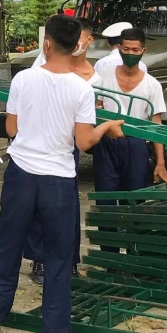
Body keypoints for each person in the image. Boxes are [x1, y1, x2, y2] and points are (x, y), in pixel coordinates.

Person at [0, 16, 124, 333]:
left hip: (21, 175)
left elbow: (12, 128)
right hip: (58, 181)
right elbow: (84, 142)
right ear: (76, 47)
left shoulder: (23, 79)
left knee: (7, 245)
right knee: (58, 256)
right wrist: (108, 127)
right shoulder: (82, 89)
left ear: (46, 44)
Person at [27, 17, 97, 285]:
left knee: (65, 209)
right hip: (35, 146)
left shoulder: (92, 75)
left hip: (65, 148)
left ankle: (68, 261)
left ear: (87, 41)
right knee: (37, 207)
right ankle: (39, 259)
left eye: (81, 40)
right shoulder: (40, 66)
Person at [90, 27, 167, 251]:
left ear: (143, 50)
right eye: (125, 48)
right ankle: (110, 259)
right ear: (119, 47)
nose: (130, 53)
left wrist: (161, 162)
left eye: (135, 49)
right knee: (106, 202)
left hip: (136, 145)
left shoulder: (152, 85)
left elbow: (156, 125)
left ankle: (136, 256)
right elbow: (92, 110)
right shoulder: (102, 78)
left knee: (135, 201)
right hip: (105, 143)